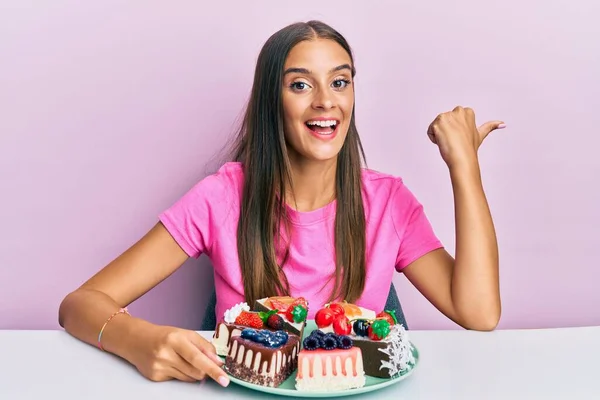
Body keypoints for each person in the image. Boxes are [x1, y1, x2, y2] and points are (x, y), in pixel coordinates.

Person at [58, 20, 503, 388]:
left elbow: (479, 313)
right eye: (300, 85)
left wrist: (463, 166)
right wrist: (139, 341)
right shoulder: (222, 198)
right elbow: (79, 304)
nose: (326, 101)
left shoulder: (387, 202)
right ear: (273, 100)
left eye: (340, 82)